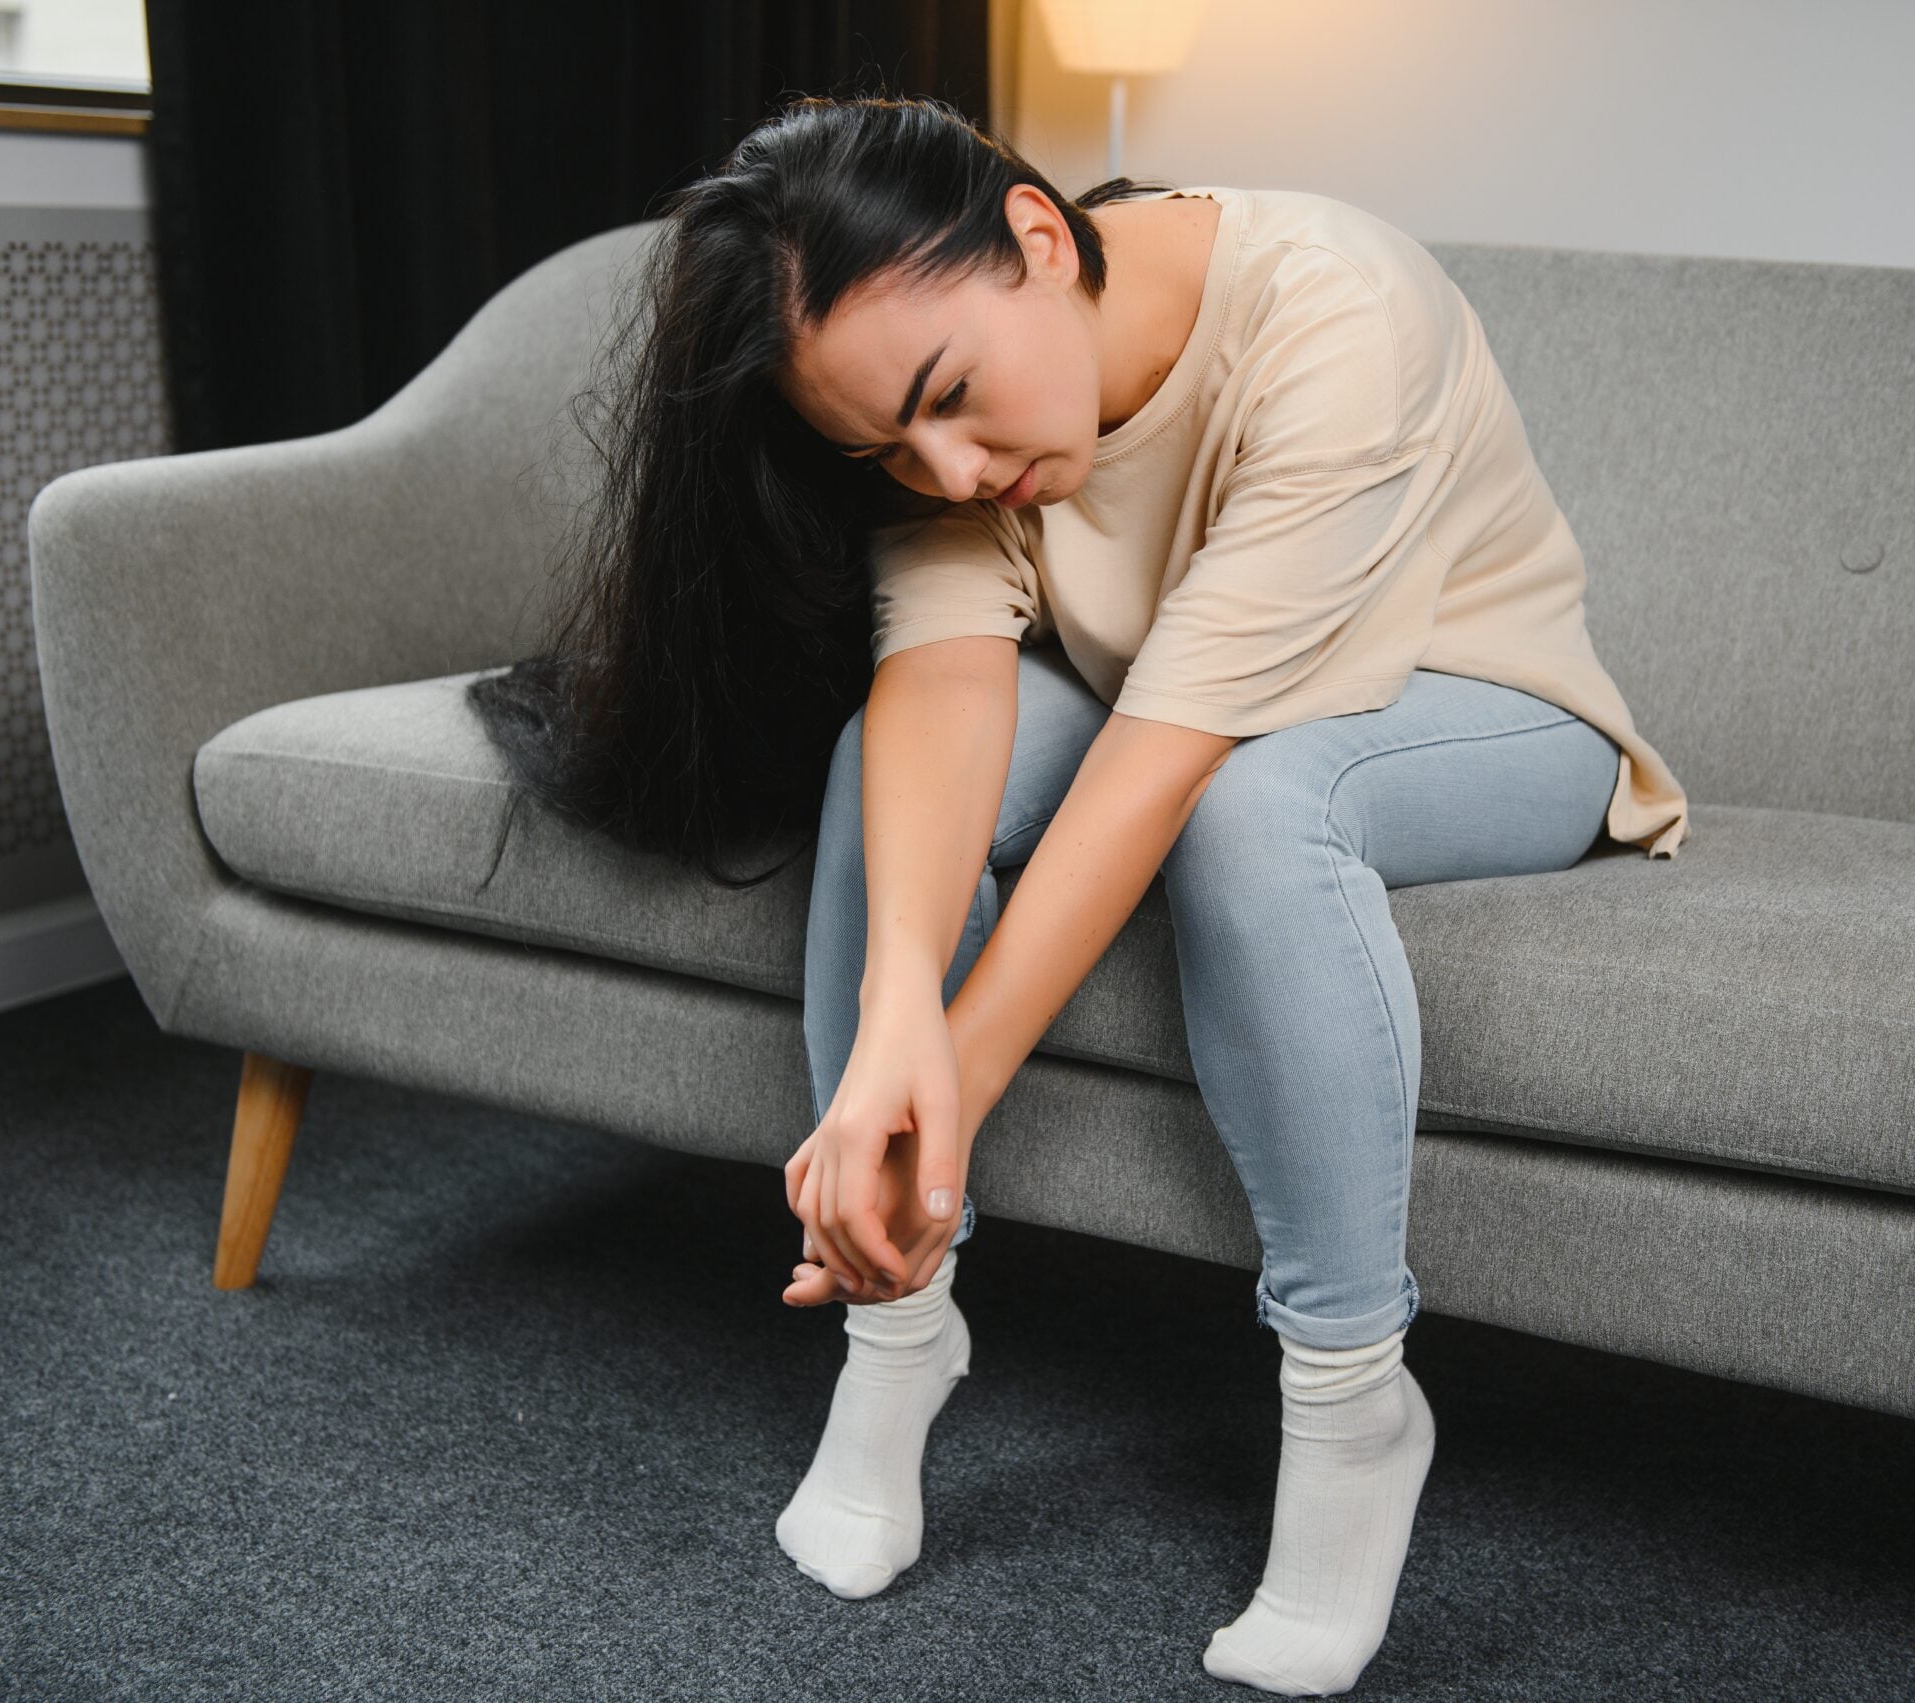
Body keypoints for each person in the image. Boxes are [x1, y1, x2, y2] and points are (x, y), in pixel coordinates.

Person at [469, 91, 1689, 1699]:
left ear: (1038, 237)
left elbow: (1160, 775)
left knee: (1255, 808)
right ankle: (898, 1339)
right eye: (889, 452)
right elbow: (943, 685)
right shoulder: (944, 431)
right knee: (878, 753)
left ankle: (1352, 1404)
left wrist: (940, 1105)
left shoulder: (1340, 315)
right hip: (1163, 689)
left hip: (1479, 699)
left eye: (948, 400)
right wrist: (896, 1027)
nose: (951, 470)